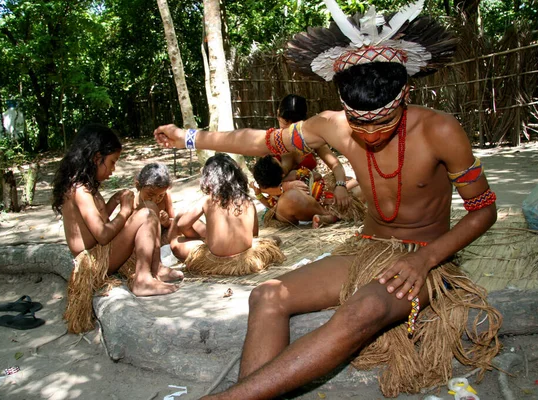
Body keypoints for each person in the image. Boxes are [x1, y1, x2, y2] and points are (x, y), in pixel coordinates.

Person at [154, 1, 502, 397]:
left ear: (406, 92)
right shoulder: (332, 126)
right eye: (359, 122)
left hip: (424, 256)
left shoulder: (441, 130)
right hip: (366, 247)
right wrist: (189, 136)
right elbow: (259, 140)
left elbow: (483, 210)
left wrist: (424, 259)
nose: (369, 134)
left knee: (365, 310)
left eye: (382, 121)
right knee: (267, 296)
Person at [52, 123, 182, 334]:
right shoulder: (79, 190)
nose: (113, 169)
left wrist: (112, 203)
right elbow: (102, 235)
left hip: (100, 253)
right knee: (147, 212)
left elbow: (97, 221)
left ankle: (154, 269)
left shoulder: (84, 186)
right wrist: (125, 210)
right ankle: (142, 279)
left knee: (149, 208)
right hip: (94, 260)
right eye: (111, 163)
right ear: (96, 158)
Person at [252, 94, 364, 228]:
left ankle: (329, 214)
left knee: (360, 186)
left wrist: (340, 186)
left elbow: (335, 165)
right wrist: (283, 187)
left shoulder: (310, 138)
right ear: (278, 116)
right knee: (292, 197)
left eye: (294, 124)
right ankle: (332, 215)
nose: (289, 129)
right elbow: (261, 185)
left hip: (317, 194)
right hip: (290, 201)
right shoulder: (272, 143)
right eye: (285, 123)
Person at [168, 153, 285, 276]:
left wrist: (199, 239)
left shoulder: (208, 199)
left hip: (215, 260)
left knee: (176, 242)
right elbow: (254, 235)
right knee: (274, 240)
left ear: (209, 180)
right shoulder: (247, 201)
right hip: (246, 258)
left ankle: (204, 243)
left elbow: (182, 224)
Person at [134, 162, 175, 244]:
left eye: (160, 196)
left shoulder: (166, 196)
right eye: (150, 194)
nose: (155, 200)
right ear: (138, 186)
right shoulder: (133, 202)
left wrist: (167, 222)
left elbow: (174, 221)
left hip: (161, 237)